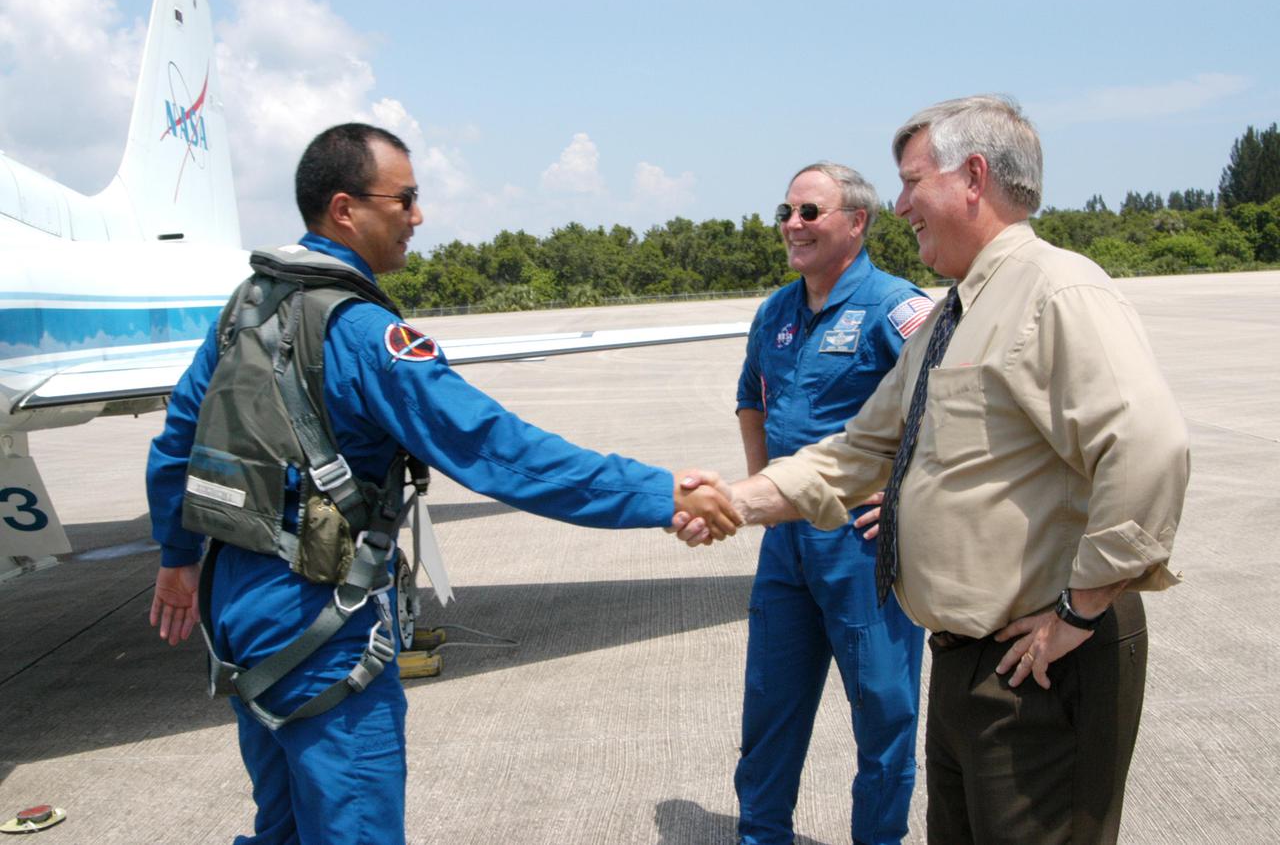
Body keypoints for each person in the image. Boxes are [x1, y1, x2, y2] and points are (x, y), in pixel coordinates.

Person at [146, 122, 738, 845]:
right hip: (316, 618)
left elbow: (177, 446)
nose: (418, 217)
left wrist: (177, 561)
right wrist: (659, 494)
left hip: (237, 606)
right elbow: (498, 451)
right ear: (345, 209)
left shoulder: (248, 306)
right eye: (405, 199)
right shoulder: (365, 334)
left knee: (283, 824)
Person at [677, 95, 1190, 844]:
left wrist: (1079, 610)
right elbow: (859, 450)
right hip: (966, 661)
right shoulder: (954, 315)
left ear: (974, 176)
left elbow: (1150, 447)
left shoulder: (1057, 288)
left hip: (1041, 660)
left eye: (914, 182)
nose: (901, 202)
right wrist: (740, 500)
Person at [733, 163, 930, 845]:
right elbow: (751, 403)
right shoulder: (776, 311)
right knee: (770, 705)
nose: (793, 224)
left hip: (863, 545)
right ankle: (761, 835)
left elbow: (955, 410)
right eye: (786, 210)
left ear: (856, 221)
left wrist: (908, 496)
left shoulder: (896, 308)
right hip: (787, 543)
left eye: (810, 212)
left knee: (883, 708)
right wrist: (763, 497)